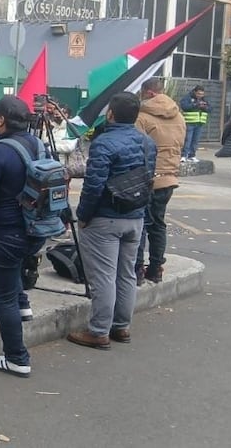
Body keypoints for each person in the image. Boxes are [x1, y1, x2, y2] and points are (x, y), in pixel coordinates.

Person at [68, 92, 155, 350]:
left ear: (110, 114)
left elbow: (93, 186)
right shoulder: (147, 142)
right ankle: (121, 326)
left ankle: (98, 331)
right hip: (135, 217)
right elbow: (148, 179)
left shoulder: (104, 143)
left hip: (105, 218)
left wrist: (83, 216)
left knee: (103, 276)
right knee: (126, 274)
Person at [0, 95, 48, 378]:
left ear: (1, 119)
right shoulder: (38, 145)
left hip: (4, 232)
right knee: (13, 269)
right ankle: (23, 306)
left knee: (1, 296)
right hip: (35, 229)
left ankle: (17, 357)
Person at [134, 77, 185, 285]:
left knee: (140, 224)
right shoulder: (179, 116)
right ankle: (155, 269)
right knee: (158, 224)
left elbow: (136, 148)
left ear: (149, 93)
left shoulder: (141, 117)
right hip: (169, 178)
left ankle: (136, 270)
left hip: (147, 178)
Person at [179, 86, 209, 162]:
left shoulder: (204, 99)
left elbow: (211, 109)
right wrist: (195, 105)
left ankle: (192, 155)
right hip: (190, 122)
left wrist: (204, 107)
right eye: (199, 94)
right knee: (187, 140)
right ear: (195, 92)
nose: (200, 95)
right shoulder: (188, 97)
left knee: (195, 140)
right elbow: (184, 106)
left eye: (202, 94)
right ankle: (183, 155)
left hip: (199, 123)